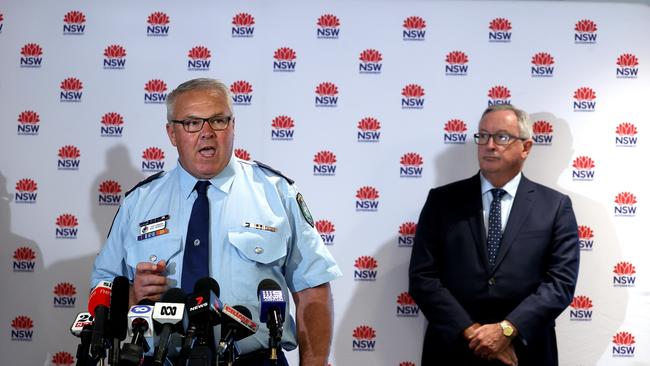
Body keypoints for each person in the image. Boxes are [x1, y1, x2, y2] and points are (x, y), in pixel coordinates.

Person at [91, 78, 342, 365]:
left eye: (218, 121)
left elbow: (313, 289)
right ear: (172, 133)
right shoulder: (138, 203)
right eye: (192, 123)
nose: (207, 133)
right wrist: (133, 297)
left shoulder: (276, 193)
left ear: (233, 126)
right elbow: (102, 291)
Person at [408, 104, 580, 366]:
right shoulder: (441, 201)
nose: (489, 145)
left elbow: (560, 284)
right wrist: (472, 332)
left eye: (501, 137)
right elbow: (423, 278)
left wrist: (507, 330)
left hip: (525, 352)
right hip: (453, 350)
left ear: (526, 147)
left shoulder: (554, 207)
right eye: (483, 136)